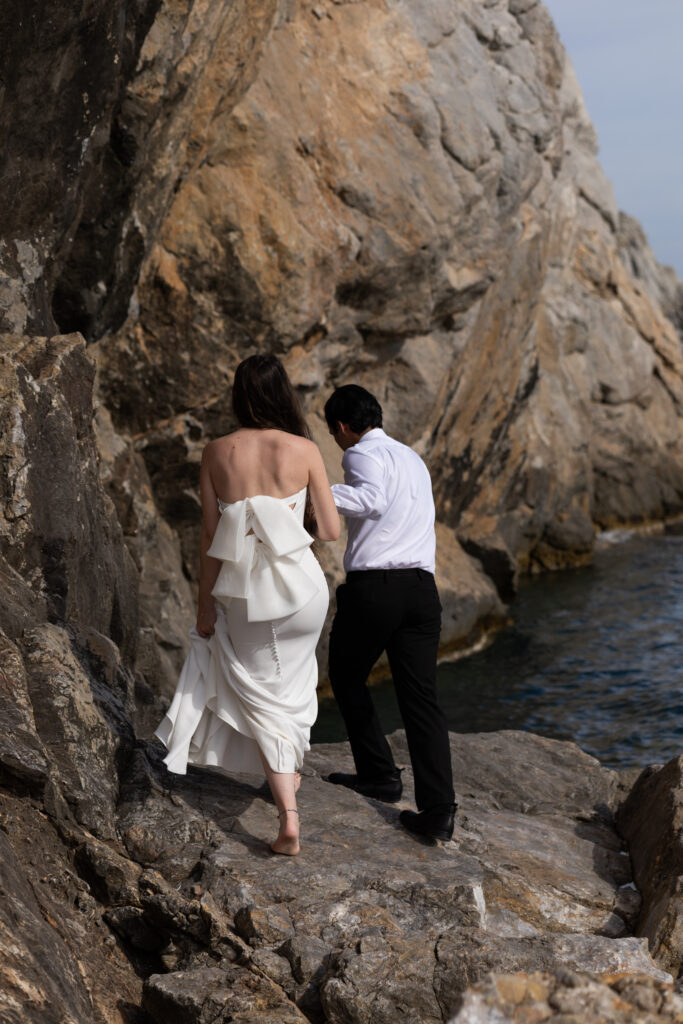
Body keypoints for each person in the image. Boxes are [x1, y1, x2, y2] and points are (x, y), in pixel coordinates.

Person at [156, 354, 340, 856]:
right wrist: (285, 519)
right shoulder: (304, 448)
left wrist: (203, 608)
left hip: (245, 593)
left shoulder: (216, 452)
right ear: (283, 393)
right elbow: (329, 530)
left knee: (261, 692)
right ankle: (288, 781)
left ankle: (288, 815)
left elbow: (210, 536)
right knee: (293, 684)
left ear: (239, 395)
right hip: (302, 590)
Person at [324, 384, 457, 842]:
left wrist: (318, 491)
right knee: (421, 701)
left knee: (344, 675)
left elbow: (371, 501)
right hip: (422, 590)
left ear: (342, 427)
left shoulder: (360, 453)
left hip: (376, 588)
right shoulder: (413, 459)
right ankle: (439, 812)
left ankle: (379, 774)